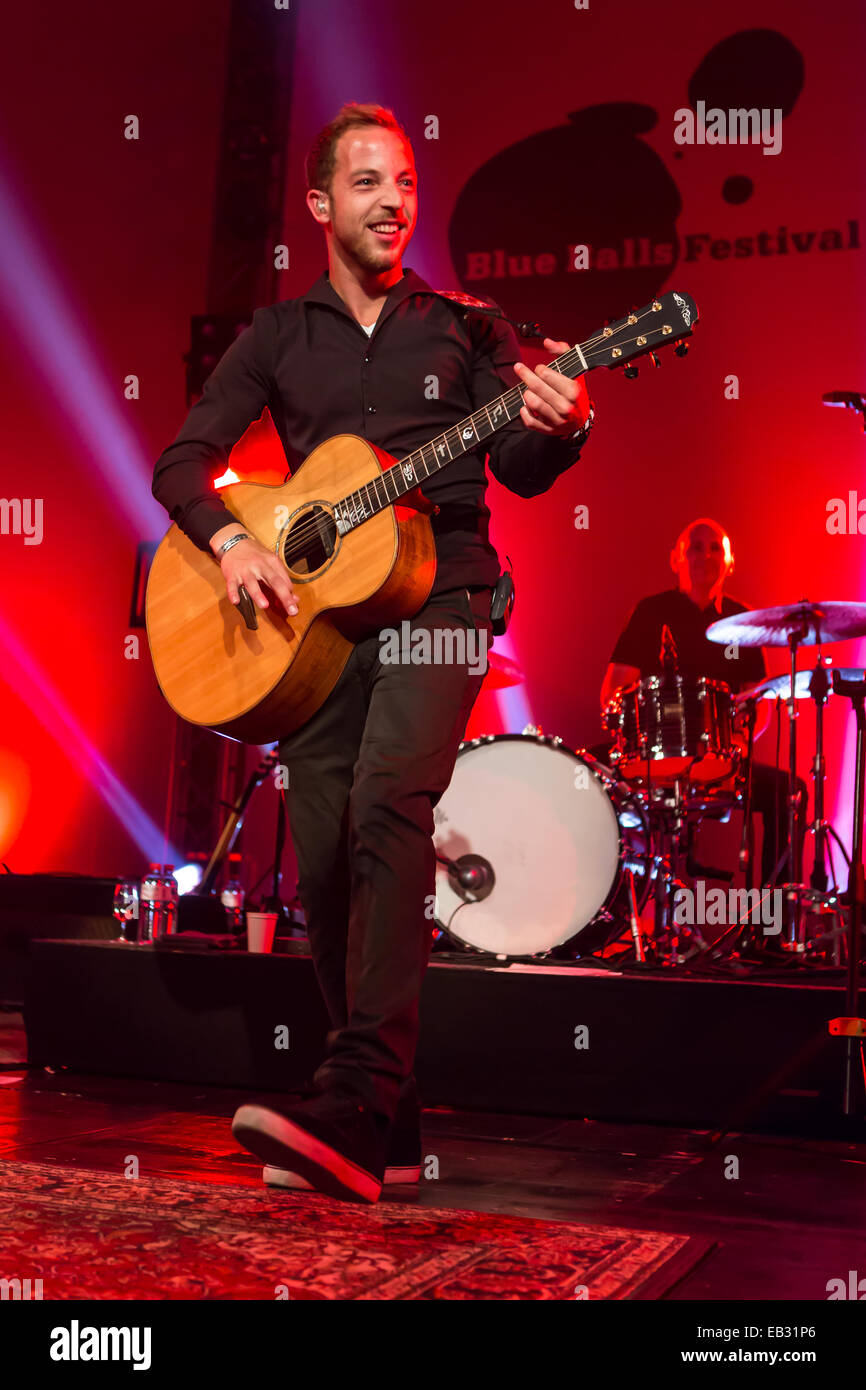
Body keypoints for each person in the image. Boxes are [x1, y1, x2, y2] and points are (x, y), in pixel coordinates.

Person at [151, 102, 593, 1202]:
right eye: (367, 184)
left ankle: (350, 1088)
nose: (393, 201)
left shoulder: (466, 325)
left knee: (392, 802)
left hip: (440, 591)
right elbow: (183, 462)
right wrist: (236, 541)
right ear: (318, 205)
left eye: (403, 182)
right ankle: (384, 1122)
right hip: (318, 622)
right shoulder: (275, 336)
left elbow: (525, 473)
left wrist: (558, 421)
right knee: (324, 843)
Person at [599, 517, 806, 887]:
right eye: (695, 546)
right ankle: (601, 913)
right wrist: (626, 734)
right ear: (675, 558)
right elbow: (614, 692)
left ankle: (776, 927)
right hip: (650, 756)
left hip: (720, 758)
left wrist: (741, 745)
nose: (705, 555)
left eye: (715, 548)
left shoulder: (744, 622)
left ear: (730, 562)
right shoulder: (650, 612)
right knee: (577, 774)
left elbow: (758, 701)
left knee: (790, 791)